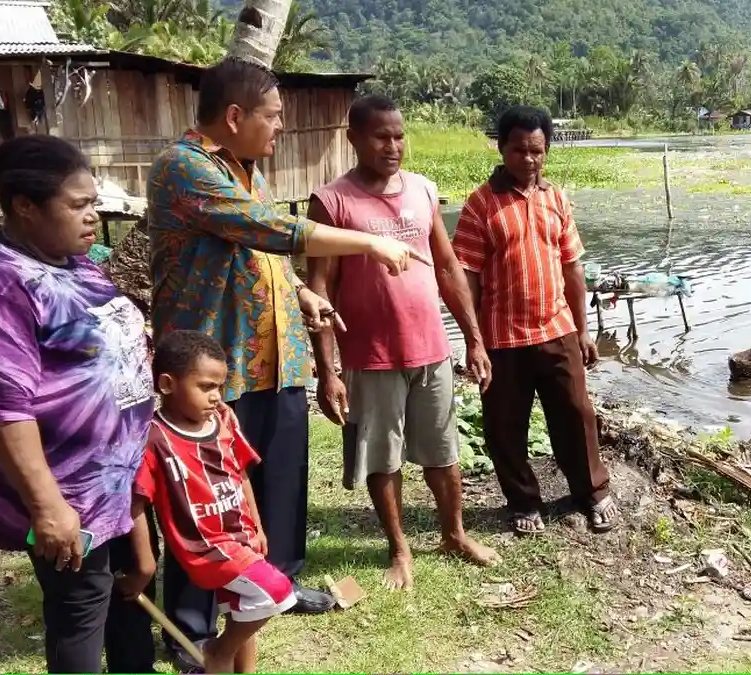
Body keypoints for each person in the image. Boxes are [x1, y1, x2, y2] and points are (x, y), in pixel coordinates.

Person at [146, 57, 429, 667]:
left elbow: (263, 256)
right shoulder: (184, 167)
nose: (279, 130)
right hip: (213, 366)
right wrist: (371, 241)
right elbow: (267, 229)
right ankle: (190, 624)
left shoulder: (250, 171)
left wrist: (304, 295)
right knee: (206, 496)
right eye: (273, 118)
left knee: (279, 480)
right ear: (234, 116)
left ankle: (278, 582)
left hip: (276, 356)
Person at [0, 135, 157, 673]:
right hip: (69, 493)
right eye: (79, 205)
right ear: (25, 207)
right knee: (80, 611)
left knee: (128, 595)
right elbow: (3, 411)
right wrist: (47, 507)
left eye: (93, 202)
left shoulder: (72, 260)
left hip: (117, 478)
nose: (94, 215)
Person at [306, 95, 499, 589]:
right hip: (369, 356)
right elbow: (319, 287)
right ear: (354, 138)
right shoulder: (331, 201)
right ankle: (399, 548)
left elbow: (449, 268)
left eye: (399, 135)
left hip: (431, 348)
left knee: (443, 451)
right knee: (382, 457)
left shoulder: (424, 190)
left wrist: (474, 340)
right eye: (381, 136)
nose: (393, 146)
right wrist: (327, 370)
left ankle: (453, 534)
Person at [451, 105, 619, 535]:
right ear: (502, 148)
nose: (529, 159)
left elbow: (573, 270)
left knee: (577, 414)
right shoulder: (480, 205)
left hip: (557, 328)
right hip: (502, 338)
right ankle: (523, 501)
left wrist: (583, 332)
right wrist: (473, 341)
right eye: (520, 150)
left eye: (538, 151)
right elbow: (464, 278)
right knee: (505, 426)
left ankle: (592, 492)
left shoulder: (556, 199)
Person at [120, 331, 293, 674]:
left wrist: (257, 527)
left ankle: (231, 664)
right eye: (205, 386)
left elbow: (240, 472)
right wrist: (145, 567)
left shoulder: (224, 419)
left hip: (241, 536)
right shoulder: (154, 437)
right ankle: (216, 651)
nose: (216, 396)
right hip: (204, 547)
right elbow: (136, 502)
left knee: (242, 611)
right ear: (167, 384)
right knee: (277, 592)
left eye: (220, 386)